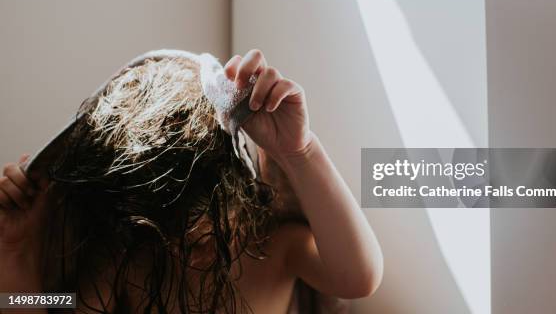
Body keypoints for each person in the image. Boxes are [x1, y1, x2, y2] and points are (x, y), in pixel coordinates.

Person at [0, 49, 383, 313]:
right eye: (168, 236)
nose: (192, 250)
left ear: (237, 190)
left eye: (205, 230)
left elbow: (359, 278)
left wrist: (300, 152)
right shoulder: (127, 266)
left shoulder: (273, 250)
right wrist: (17, 254)